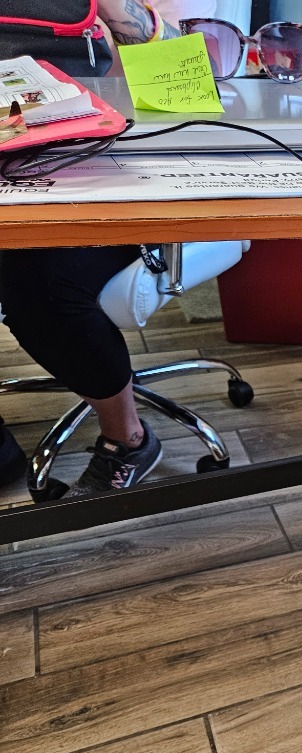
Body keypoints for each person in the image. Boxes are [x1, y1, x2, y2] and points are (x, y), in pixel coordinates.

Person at [0, 1, 182, 498]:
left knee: (38, 282)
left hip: (90, 173)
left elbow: (176, 74)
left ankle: (129, 438)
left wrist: (121, 14)